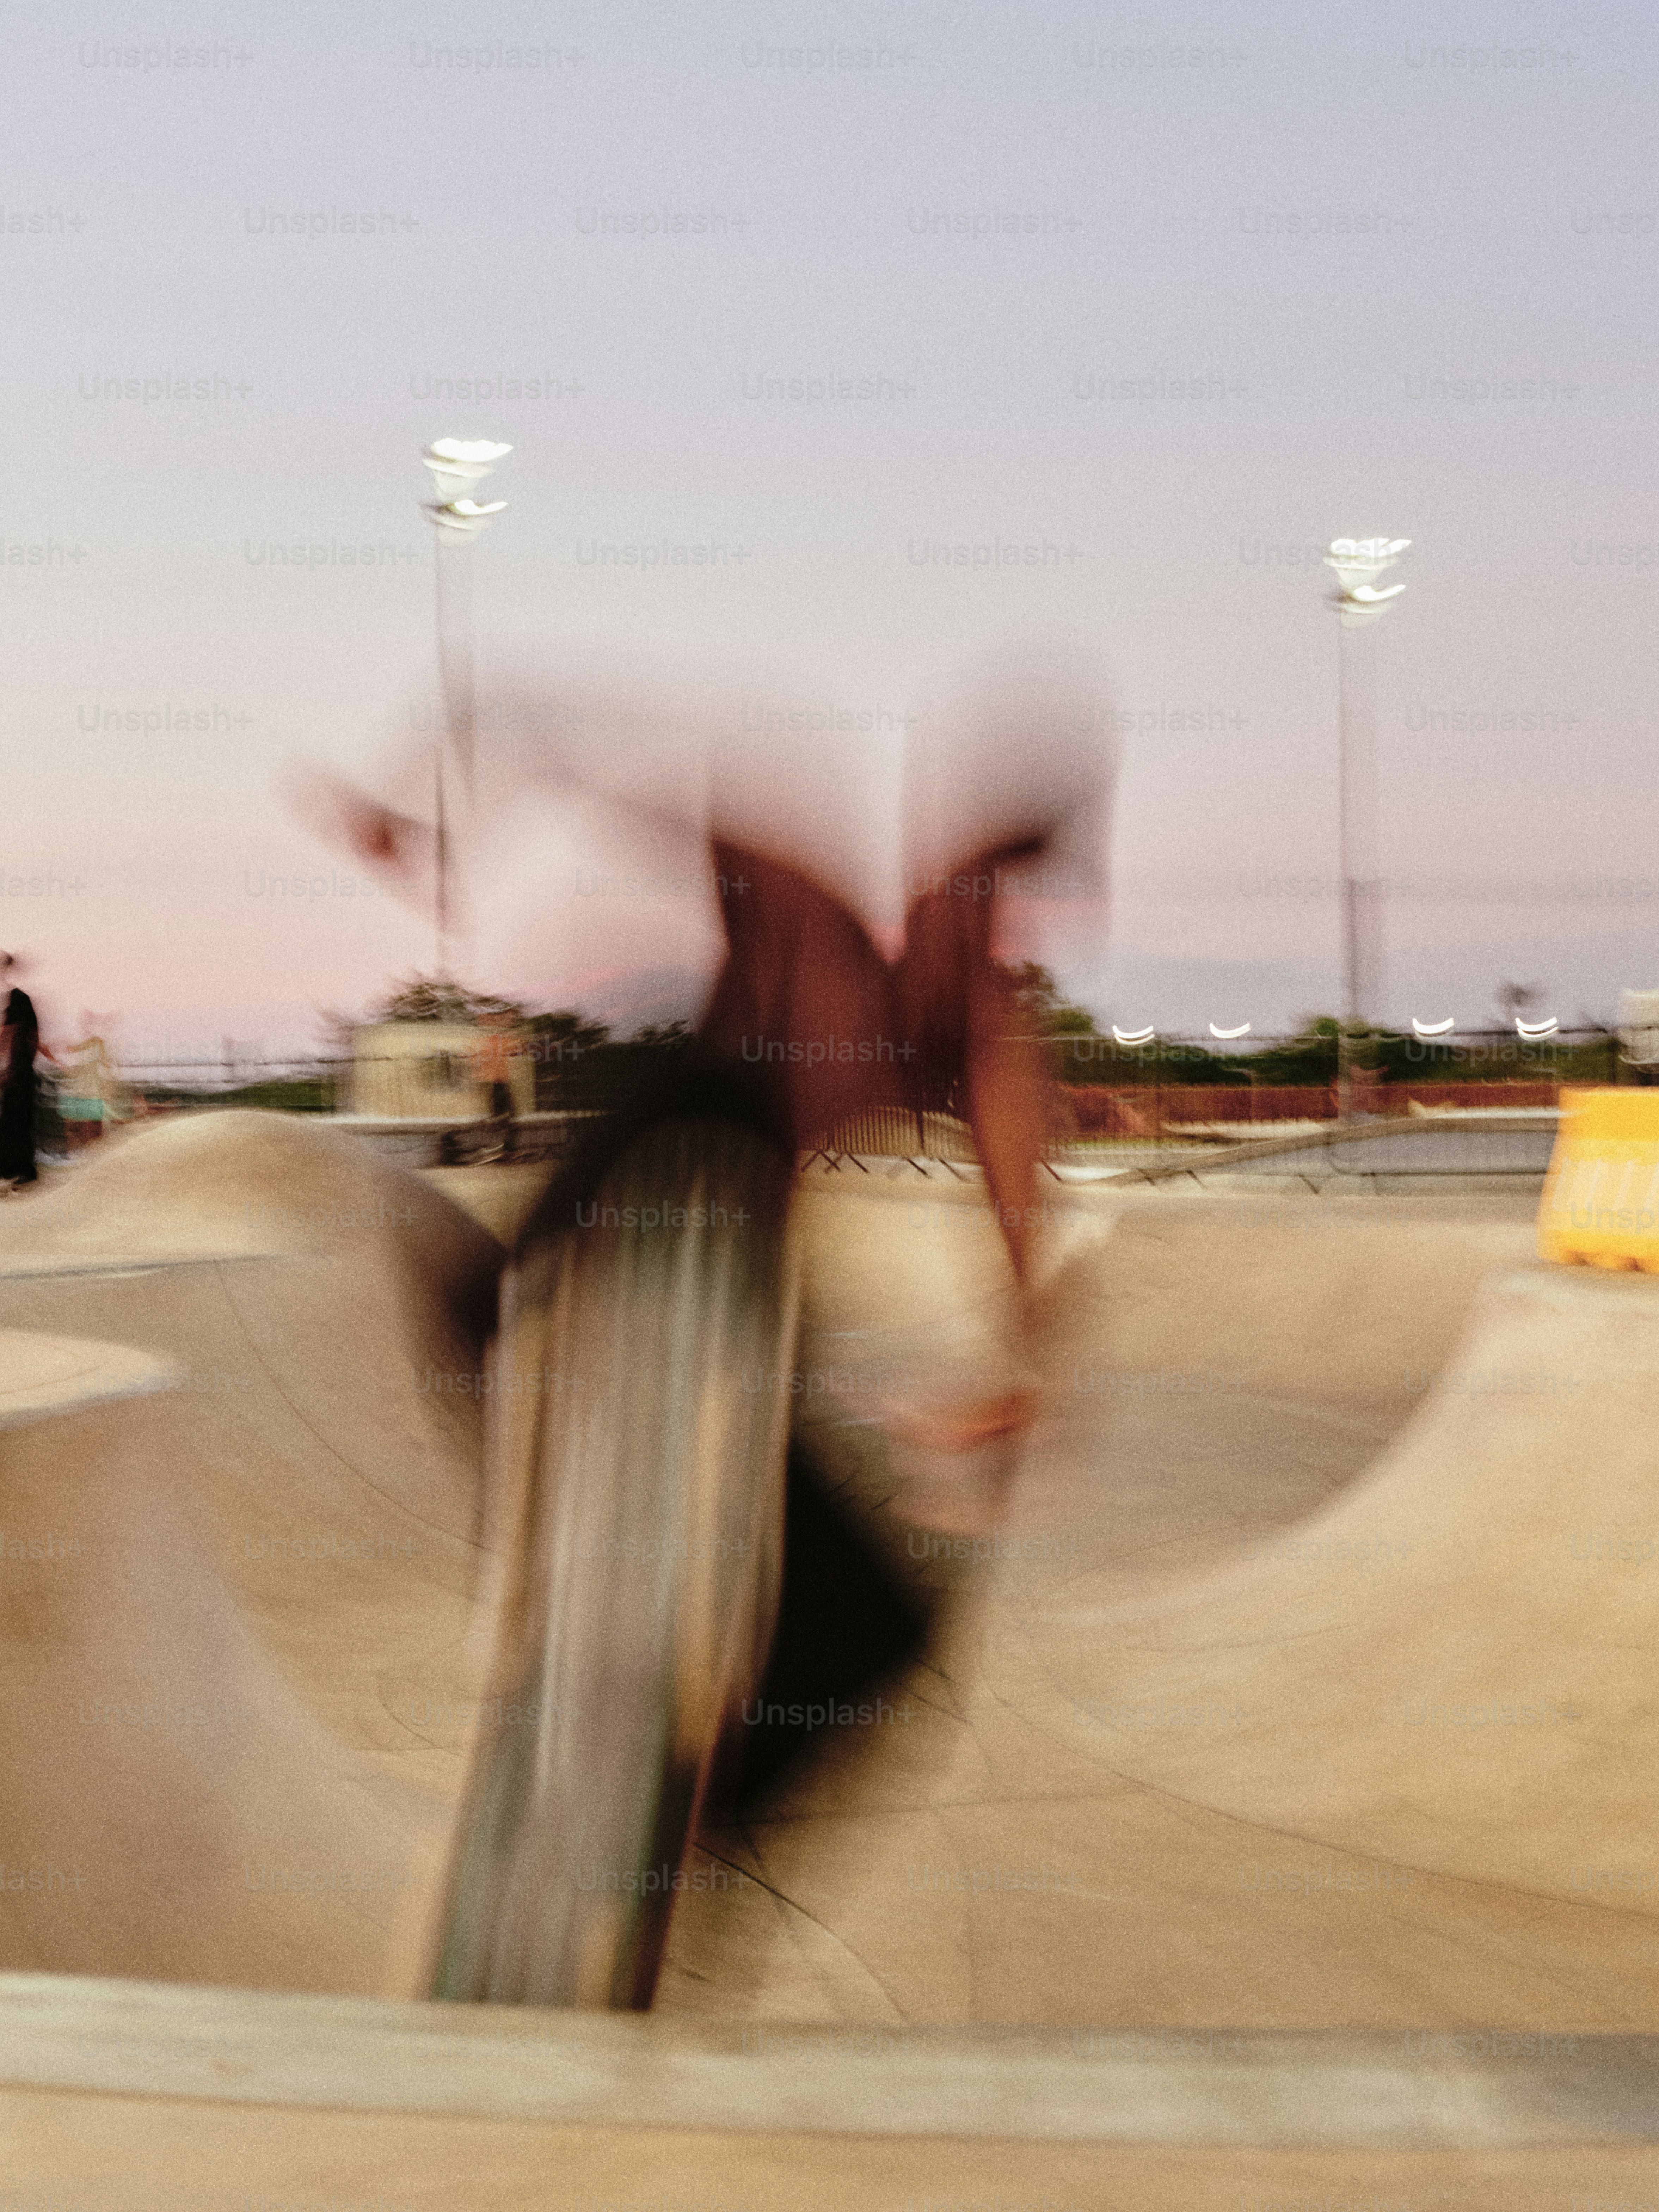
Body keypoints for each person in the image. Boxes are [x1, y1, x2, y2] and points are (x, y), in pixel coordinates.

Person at [0, 952, 58, 1192]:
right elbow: (34, 1037)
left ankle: (21, 1172)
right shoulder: (22, 1000)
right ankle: (22, 1172)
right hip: (23, 1072)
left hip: (20, 1072)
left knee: (14, 1122)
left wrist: (10, 1068)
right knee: (18, 1122)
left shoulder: (17, 998)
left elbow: (10, 1033)